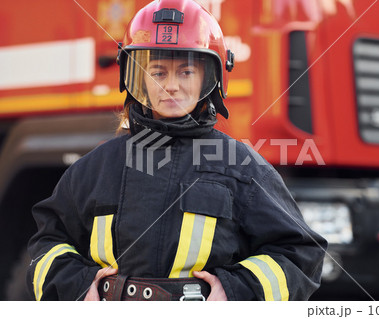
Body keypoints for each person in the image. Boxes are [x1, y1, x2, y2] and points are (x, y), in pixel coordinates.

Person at [27, 0, 327, 301]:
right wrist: (78, 288)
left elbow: (300, 253)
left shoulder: (241, 167)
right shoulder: (96, 167)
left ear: (211, 79)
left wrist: (236, 293)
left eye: (186, 72)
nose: (171, 86)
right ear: (136, 78)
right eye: (157, 72)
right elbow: (48, 244)